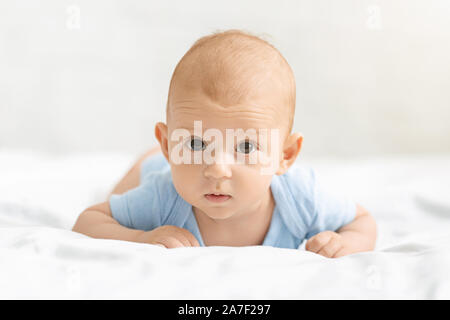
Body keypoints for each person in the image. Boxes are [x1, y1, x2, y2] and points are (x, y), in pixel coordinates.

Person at [72, 30, 377, 258]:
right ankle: (152, 157)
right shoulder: (162, 199)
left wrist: (347, 243)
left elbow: (361, 220)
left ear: (285, 155)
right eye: (194, 143)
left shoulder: (300, 199)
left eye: (245, 148)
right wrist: (140, 238)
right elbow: (88, 221)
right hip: (151, 168)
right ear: (169, 145)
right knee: (126, 185)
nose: (217, 169)